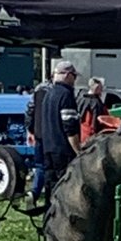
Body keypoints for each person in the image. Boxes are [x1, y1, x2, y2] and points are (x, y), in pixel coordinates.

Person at [41, 61, 81, 205]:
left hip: (47, 149)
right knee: (64, 189)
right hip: (63, 151)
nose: (75, 81)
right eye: (74, 76)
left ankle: (48, 219)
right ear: (68, 75)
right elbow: (69, 127)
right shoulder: (66, 95)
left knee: (50, 189)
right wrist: (78, 151)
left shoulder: (48, 95)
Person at [24, 80, 50, 207]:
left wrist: (30, 130)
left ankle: (34, 193)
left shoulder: (38, 89)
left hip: (38, 134)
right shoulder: (58, 91)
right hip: (51, 137)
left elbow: (30, 110)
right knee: (51, 167)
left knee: (39, 166)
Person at [77, 77, 109, 144]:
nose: (102, 90)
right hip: (90, 137)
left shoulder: (81, 99)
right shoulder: (95, 103)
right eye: (101, 88)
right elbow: (94, 122)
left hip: (81, 133)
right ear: (97, 87)